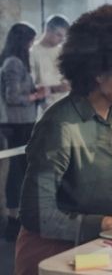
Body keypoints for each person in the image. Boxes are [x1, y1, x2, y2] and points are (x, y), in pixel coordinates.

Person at [15, 5, 112, 275]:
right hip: (51, 254)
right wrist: (111, 222)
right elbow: (35, 214)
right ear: (97, 73)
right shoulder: (59, 125)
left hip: (97, 245)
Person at [0, 22, 47, 241]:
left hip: (22, 122)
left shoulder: (15, 62)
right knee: (18, 173)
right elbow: (12, 97)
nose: (31, 46)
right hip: (17, 123)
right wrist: (34, 97)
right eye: (29, 42)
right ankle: (13, 220)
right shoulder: (13, 63)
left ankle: (16, 219)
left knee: (21, 171)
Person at [30, 14, 71, 111]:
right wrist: (54, 88)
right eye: (59, 35)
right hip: (41, 104)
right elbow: (30, 84)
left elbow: (68, 75)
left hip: (64, 103)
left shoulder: (63, 51)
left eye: (64, 37)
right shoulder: (32, 51)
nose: (62, 39)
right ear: (48, 30)